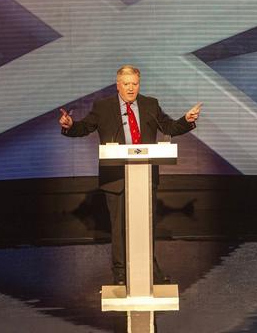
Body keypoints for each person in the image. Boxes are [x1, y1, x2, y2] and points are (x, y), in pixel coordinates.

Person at [59, 65, 201, 285]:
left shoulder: (150, 104)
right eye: (126, 84)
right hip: (115, 177)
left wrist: (187, 119)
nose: (131, 88)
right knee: (119, 227)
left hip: (144, 176)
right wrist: (70, 126)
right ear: (118, 85)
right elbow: (85, 127)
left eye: (135, 83)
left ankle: (150, 269)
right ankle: (120, 273)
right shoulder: (103, 106)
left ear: (139, 84)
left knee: (147, 225)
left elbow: (169, 127)